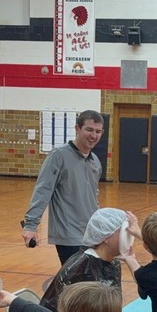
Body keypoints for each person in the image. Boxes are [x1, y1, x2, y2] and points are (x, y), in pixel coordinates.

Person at [22, 110, 104, 264]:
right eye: (89, 130)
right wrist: (30, 225)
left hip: (90, 234)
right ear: (77, 128)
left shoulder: (95, 161)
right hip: (69, 236)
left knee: (88, 285)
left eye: (98, 131)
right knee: (76, 285)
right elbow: (43, 191)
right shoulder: (58, 156)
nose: (93, 135)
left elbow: (94, 197)